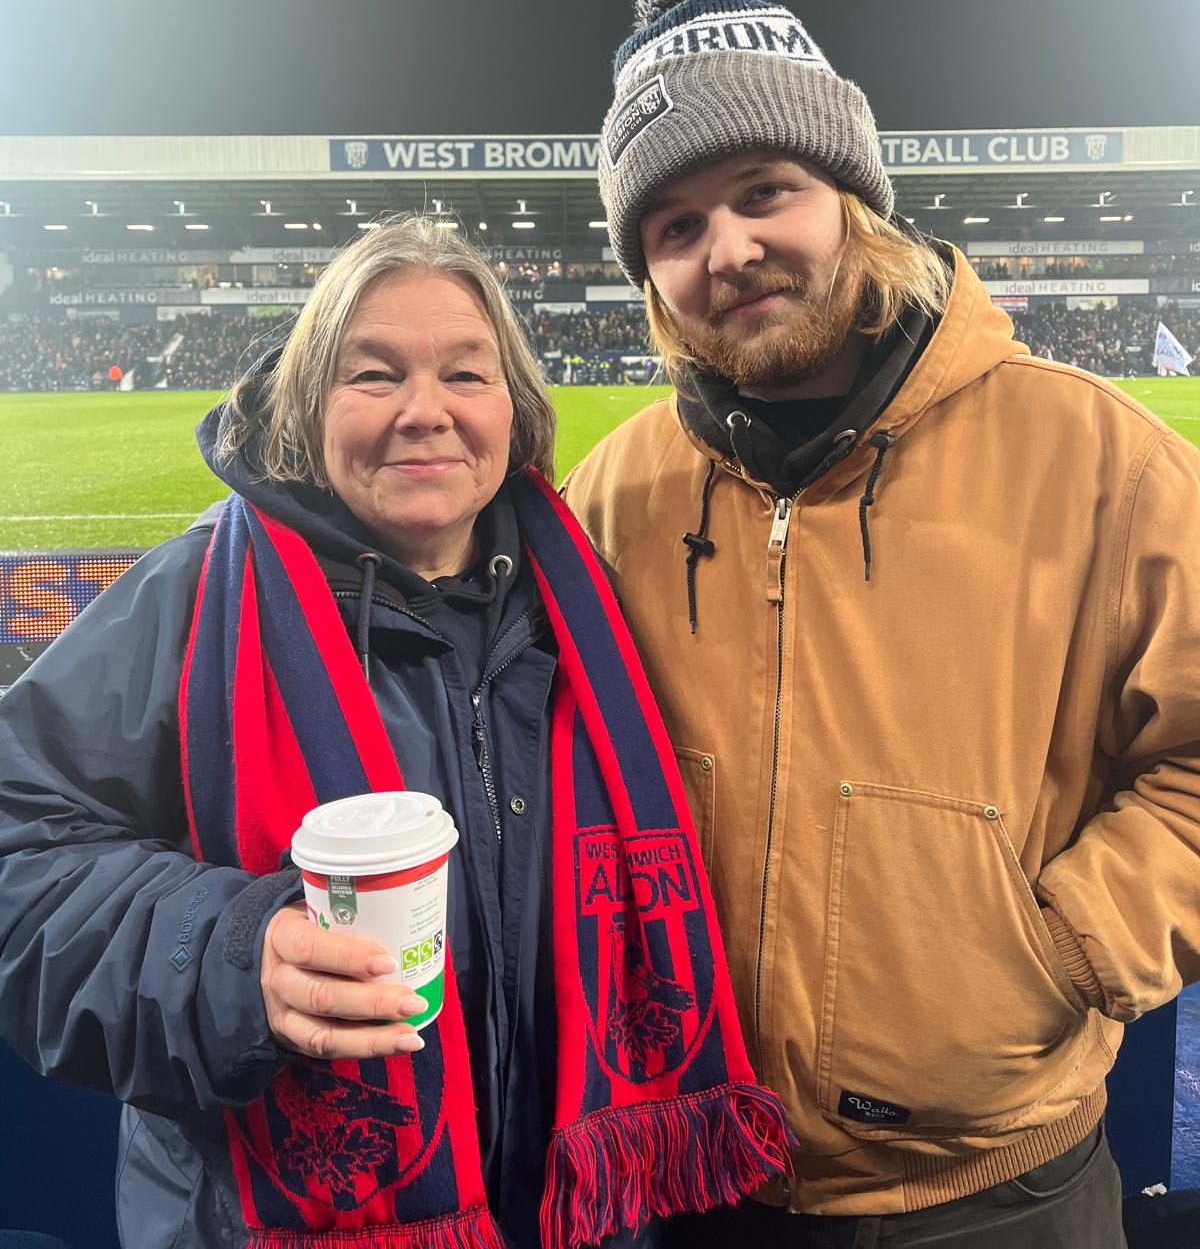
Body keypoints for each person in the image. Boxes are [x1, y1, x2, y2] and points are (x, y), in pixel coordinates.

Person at [563, 0, 1200, 1247]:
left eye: (764, 191)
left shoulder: (1104, 461)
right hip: (702, 1177)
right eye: (673, 227)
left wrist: (1062, 948)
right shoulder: (614, 492)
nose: (728, 249)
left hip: (998, 1190)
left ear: (853, 197)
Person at [0, 217, 788, 1249]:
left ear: (515, 407)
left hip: (572, 1214)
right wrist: (228, 955)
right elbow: (19, 856)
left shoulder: (591, 607)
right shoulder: (193, 602)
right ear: (307, 406)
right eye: (373, 375)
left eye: (466, 374)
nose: (426, 411)